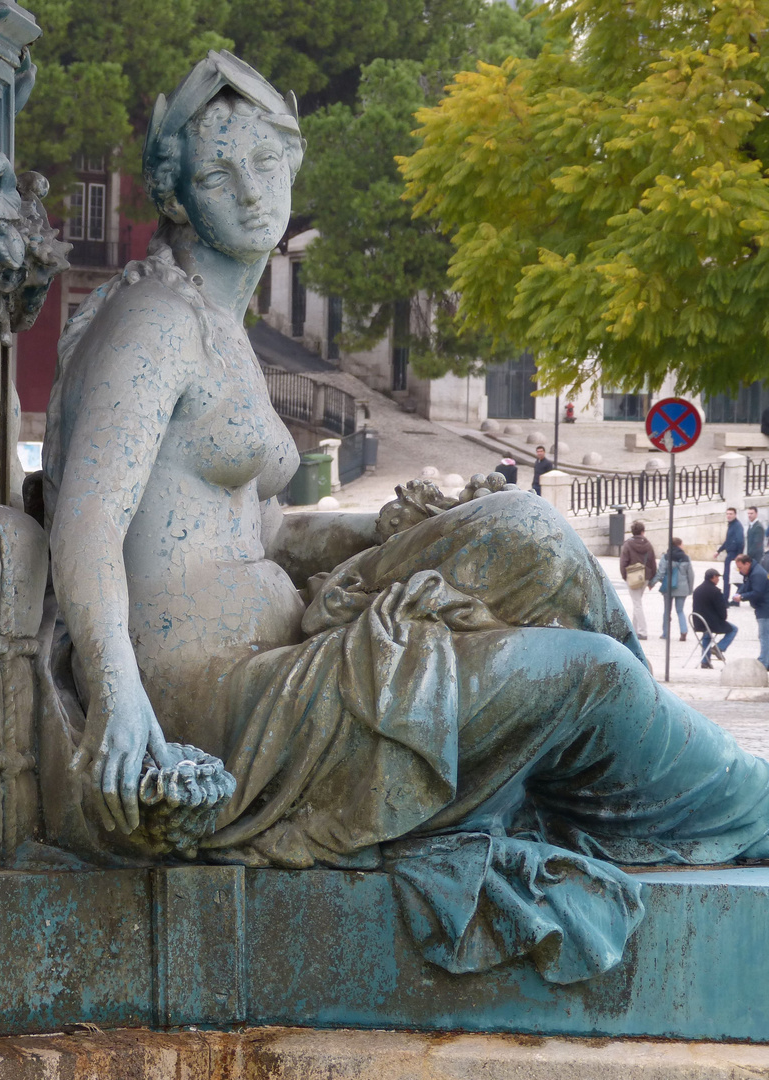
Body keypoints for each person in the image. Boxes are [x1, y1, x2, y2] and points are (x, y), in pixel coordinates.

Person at [43, 50, 769, 986]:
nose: (252, 192)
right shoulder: (153, 325)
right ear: (177, 195)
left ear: (296, 165)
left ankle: (657, 772)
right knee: (584, 679)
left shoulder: (219, 328)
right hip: (226, 711)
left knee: (527, 530)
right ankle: (743, 808)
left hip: (285, 649)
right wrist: (118, 698)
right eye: (220, 173)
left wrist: (392, 529)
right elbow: (90, 518)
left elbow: (257, 538)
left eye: (267, 163)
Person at [619, 520, 656, 640]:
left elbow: (623, 562)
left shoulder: (627, 544)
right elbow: (652, 562)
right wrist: (651, 580)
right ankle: (634, 629)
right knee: (637, 602)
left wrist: (625, 577)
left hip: (632, 577)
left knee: (637, 603)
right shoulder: (648, 544)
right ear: (642, 531)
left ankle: (643, 631)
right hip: (645, 576)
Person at [731, 554, 769, 670]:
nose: (740, 571)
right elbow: (746, 585)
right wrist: (740, 593)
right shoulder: (751, 572)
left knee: (764, 635)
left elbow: (757, 592)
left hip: (765, 607)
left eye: (740, 567)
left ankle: (764, 661)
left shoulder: (757, 574)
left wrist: (742, 597)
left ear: (747, 563)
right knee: (764, 634)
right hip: (762, 607)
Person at [693, 569, 737, 667]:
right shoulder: (715, 591)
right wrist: (723, 618)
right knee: (733, 629)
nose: (718, 579)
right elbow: (722, 611)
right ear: (712, 577)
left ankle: (705, 661)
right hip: (711, 623)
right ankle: (718, 648)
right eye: (717, 577)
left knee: (707, 634)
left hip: (699, 622)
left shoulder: (697, 589)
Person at [657, 536, 694, 641]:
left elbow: (661, 572)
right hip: (683, 588)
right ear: (678, 545)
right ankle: (683, 631)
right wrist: (690, 589)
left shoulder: (665, 557)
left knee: (667, 611)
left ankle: (665, 633)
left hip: (669, 588)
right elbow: (690, 575)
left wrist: (657, 582)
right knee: (680, 611)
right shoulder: (686, 557)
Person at [718, 507, 745, 599]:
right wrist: (719, 551)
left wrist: (738, 556)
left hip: (733, 555)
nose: (728, 516)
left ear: (735, 515)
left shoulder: (737, 526)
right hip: (730, 554)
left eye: (731, 514)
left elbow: (740, 542)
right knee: (730, 577)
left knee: (728, 577)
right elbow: (728, 541)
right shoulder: (731, 525)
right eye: (727, 514)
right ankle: (733, 597)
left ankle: (726, 600)